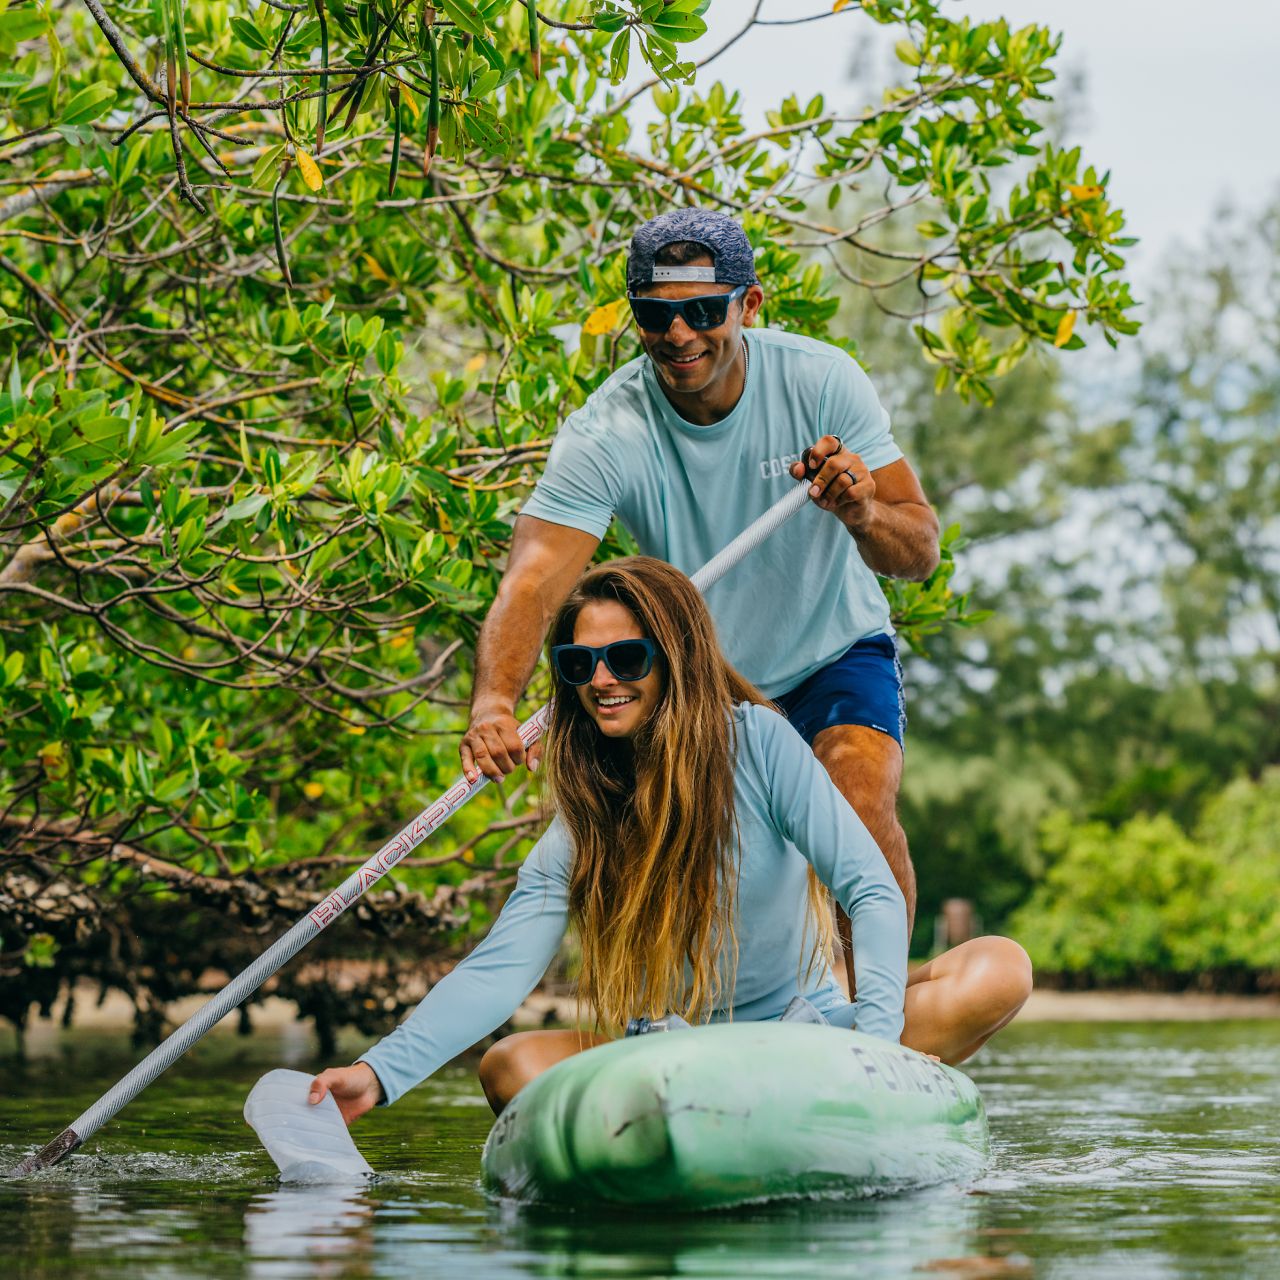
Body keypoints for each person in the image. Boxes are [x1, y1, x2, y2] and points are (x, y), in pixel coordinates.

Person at [310, 559, 1031, 1123]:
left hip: (808, 1037)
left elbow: (870, 889)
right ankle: (717, 1108)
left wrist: (871, 1049)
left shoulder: (758, 742)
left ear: (676, 657)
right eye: (578, 664)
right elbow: (498, 972)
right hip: (669, 1051)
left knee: (1000, 968)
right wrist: (377, 1074)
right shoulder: (585, 810)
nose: (601, 680)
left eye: (626, 658)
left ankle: (853, 1086)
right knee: (510, 1066)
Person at [459, 208, 941, 979]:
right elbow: (535, 578)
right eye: (655, 315)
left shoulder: (821, 380)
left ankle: (875, 1011)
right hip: (708, 679)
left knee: (856, 803)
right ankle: (728, 1015)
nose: (678, 334)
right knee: (690, 860)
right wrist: (494, 703)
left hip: (834, 651)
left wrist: (863, 513)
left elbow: (917, 551)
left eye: (703, 311)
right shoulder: (607, 430)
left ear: (749, 305)